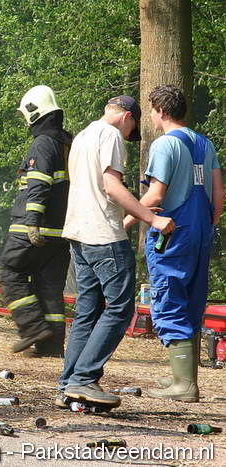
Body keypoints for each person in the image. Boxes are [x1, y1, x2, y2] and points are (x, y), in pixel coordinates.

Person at [58, 95, 175, 408]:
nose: (128, 135)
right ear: (127, 117)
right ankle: (84, 378)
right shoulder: (110, 135)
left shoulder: (83, 135)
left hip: (78, 234)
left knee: (87, 312)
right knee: (121, 308)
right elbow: (111, 186)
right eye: (130, 129)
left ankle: (68, 385)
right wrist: (151, 217)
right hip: (103, 236)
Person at [125, 85, 223, 401]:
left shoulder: (165, 144)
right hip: (201, 230)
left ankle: (184, 386)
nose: (151, 118)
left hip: (173, 232)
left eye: (152, 111)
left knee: (169, 297)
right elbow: (218, 194)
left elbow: (155, 195)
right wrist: (209, 224)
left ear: (161, 111)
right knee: (192, 299)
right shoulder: (205, 144)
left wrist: (125, 221)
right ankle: (184, 378)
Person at [0, 85, 73, 358]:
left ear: (33, 112)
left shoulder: (43, 143)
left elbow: (39, 183)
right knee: (50, 286)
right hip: (60, 232)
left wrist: (32, 221)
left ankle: (31, 328)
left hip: (33, 228)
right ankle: (51, 347)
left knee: (9, 271)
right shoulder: (67, 143)